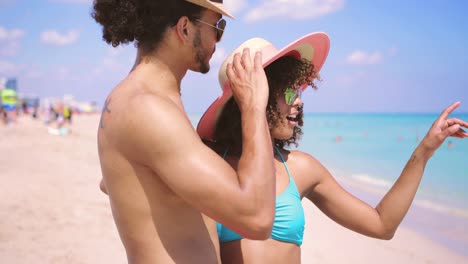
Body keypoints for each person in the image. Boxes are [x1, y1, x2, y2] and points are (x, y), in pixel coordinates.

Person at [197, 34, 468, 263]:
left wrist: (425, 151)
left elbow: (381, 224)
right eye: (289, 92)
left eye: (300, 91)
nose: (299, 102)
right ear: (256, 93)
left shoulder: (300, 168)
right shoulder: (207, 163)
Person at [93, 1, 277, 263]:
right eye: (217, 26)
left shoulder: (143, 100)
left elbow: (112, 182)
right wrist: (253, 106)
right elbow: (257, 218)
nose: (218, 39)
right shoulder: (147, 108)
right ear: (185, 29)